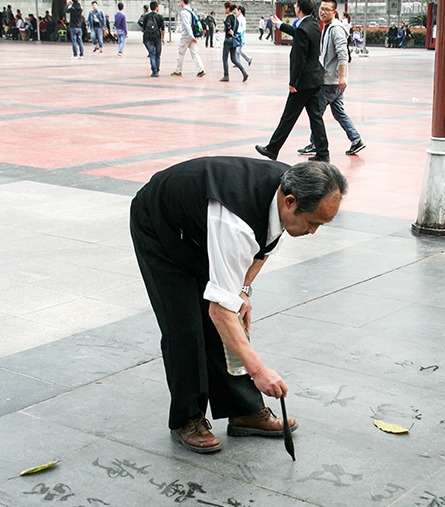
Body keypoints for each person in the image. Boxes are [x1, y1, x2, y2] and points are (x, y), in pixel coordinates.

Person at [130, 157, 347, 453]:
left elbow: (264, 246)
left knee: (228, 312)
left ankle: (243, 411)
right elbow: (219, 311)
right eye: (312, 223)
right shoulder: (235, 223)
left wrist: (243, 289)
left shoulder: (291, 187)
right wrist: (259, 370)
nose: (313, 232)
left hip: (200, 230)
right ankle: (188, 419)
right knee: (185, 326)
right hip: (161, 225)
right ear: (290, 202)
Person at [256, 0, 329, 163]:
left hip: (303, 82)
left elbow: (299, 59)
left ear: (298, 8)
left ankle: (272, 149)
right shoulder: (313, 24)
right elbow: (298, 33)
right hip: (315, 79)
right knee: (316, 117)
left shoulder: (304, 28)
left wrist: (293, 83)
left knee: (288, 116)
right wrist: (280, 25)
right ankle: (323, 152)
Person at [297, 0, 365, 159]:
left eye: (327, 10)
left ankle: (315, 144)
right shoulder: (327, 27)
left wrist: (342, 77)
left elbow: (343, 54)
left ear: (335, 12)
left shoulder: (335, 29)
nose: (322, 12)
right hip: (333, 80)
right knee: (338, 112)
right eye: (321, 9)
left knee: (316, 114)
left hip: (330, 81)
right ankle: (356, 139)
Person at [171, 0, 206, 78]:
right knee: (195, 53)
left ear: (182, 1)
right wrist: (193, 36)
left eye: (180, 1)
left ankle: (178, 71)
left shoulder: (184, 12)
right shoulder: (191, 11)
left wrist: (191, 36)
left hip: (186, 36)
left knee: (181, 53)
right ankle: (201, 69)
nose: (180, 2)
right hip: (192, 36)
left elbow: (187, 25)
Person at [220, 1, 248, 83]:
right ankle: (243, 71)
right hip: (234, 41)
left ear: (228, 9)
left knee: (225, 58)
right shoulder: (236, 19)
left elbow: (229, 27)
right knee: (234, 59)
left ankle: (226, 75)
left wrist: (228, 29)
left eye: (225, 8)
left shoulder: (229, 18)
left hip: (228, 40)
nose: (224, 10)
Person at [141, 0, 165, 77]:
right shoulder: (160, 17)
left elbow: (144, 28)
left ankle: (154, 70)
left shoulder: (146, 16)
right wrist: (163, 38)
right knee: (158, 54)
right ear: (157, 7)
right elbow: (163, 29)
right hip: (157, 37)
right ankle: (157, 70)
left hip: (148, 37)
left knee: (151, 54)